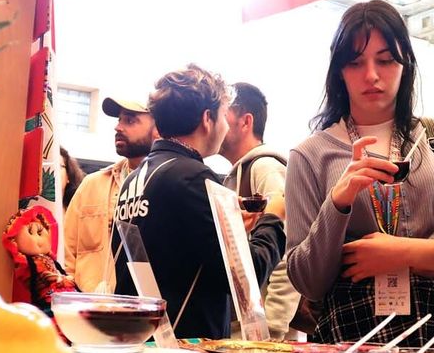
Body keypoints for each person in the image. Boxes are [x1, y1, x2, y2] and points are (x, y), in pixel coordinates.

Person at [285, 1, 434, 344]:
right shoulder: (309, 155)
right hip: (347, 336)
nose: (371, 75)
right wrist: (338, 202)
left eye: (385, 60)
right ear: (338, 70)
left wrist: (399, 253)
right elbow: (307, 281)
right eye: (355, 62)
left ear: (405, 64)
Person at [112, 66, 285, 338]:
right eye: (223, 116)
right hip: (186, 348)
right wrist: (273, 220)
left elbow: (174, 252)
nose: (226, 125)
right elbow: (245, 276)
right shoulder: (194, 178)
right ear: (208, 119)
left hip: (139, 341)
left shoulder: (133, 179)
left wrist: (230, 225)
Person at [219, 81, 299, 338]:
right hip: (245, 329)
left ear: (245, 121)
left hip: (262, 335)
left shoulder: (264, 167)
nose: (215, 121)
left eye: (223, 112)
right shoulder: (238, 174)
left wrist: (271, 331)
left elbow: (288, 253)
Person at [64, 94, 155, 293]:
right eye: (119, 120)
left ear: (157, 128)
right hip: (89, 311)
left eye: (130, 120)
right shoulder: (92, 184)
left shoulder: (164, 185)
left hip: (141, 313)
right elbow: (66, 252)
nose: (118, 127)